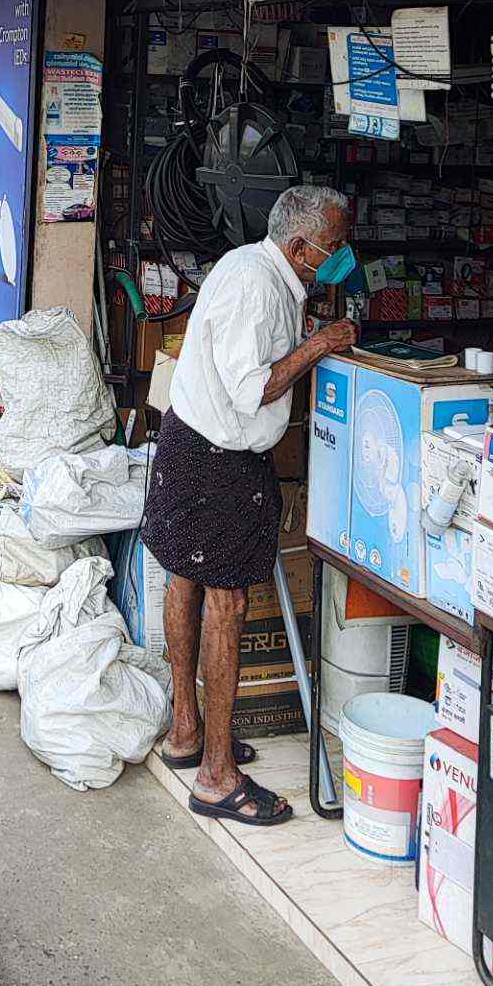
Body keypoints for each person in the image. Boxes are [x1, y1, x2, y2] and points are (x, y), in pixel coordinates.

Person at [141, 183, 358, 827]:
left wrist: (305, 335)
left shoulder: (255, 269)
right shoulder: (260, 288)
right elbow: (252, 390)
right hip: (219, 459)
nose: (342, 256)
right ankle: (216, 777)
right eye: (336, 246)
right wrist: (316, 348)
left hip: (191, 439)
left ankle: (187, 732)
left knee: (186, 576)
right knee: (227, 603)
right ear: (300, 247)